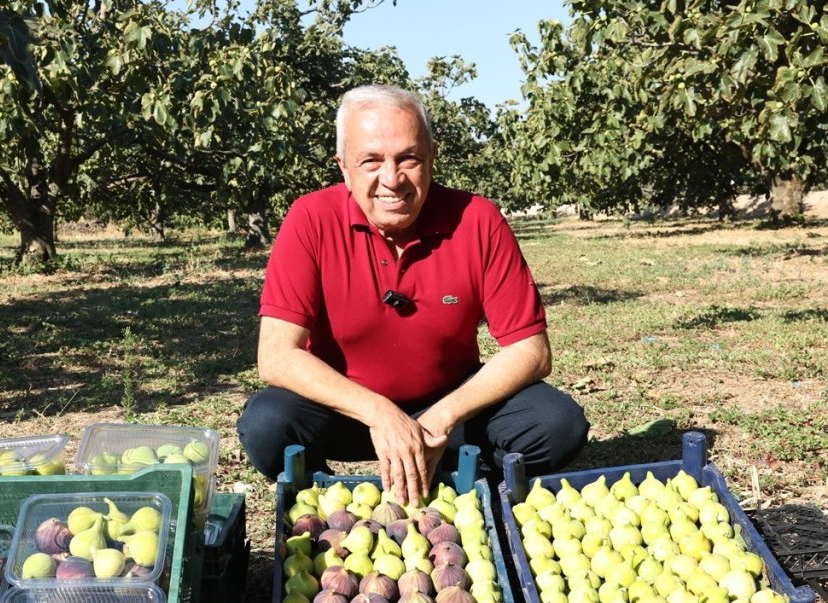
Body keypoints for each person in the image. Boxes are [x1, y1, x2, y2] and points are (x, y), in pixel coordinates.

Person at [236, 84, 589, 505]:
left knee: (556, 423)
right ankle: (326, 499)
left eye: (409, 158)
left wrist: (443, 416)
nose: (392, 179)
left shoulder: (477, 220)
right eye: (371, 161)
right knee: (267, 425)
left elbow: (531, 351)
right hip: (348, 412)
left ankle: (465, 479)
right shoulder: (310, 219)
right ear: (344, 166)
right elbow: (276, 356)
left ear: (432, 157)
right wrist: (379, 413)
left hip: (450, 407)